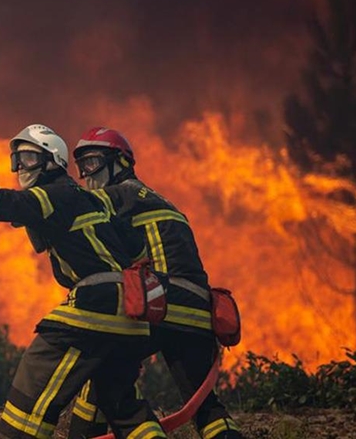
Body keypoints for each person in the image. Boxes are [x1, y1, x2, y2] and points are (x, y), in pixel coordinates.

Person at [0, 124, 166, 439]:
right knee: (122, 404)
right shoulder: (91, 200)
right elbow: (137, 248)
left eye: (30, 158)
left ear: (52, 162)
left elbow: (9, 204)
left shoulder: (54, 193)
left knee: (33, 382)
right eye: (16, 159)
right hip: (130, 316)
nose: (20, 168)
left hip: (95, 305)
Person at [66, 127, 243, 439]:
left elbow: (74, 212)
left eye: (92, 163)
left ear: (119, 162)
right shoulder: (163, 201)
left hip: (159, 305)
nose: (86, 174)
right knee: (205, 406)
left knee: (109, 381)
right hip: (198, 311)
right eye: (81, 166)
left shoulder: (117, 196)